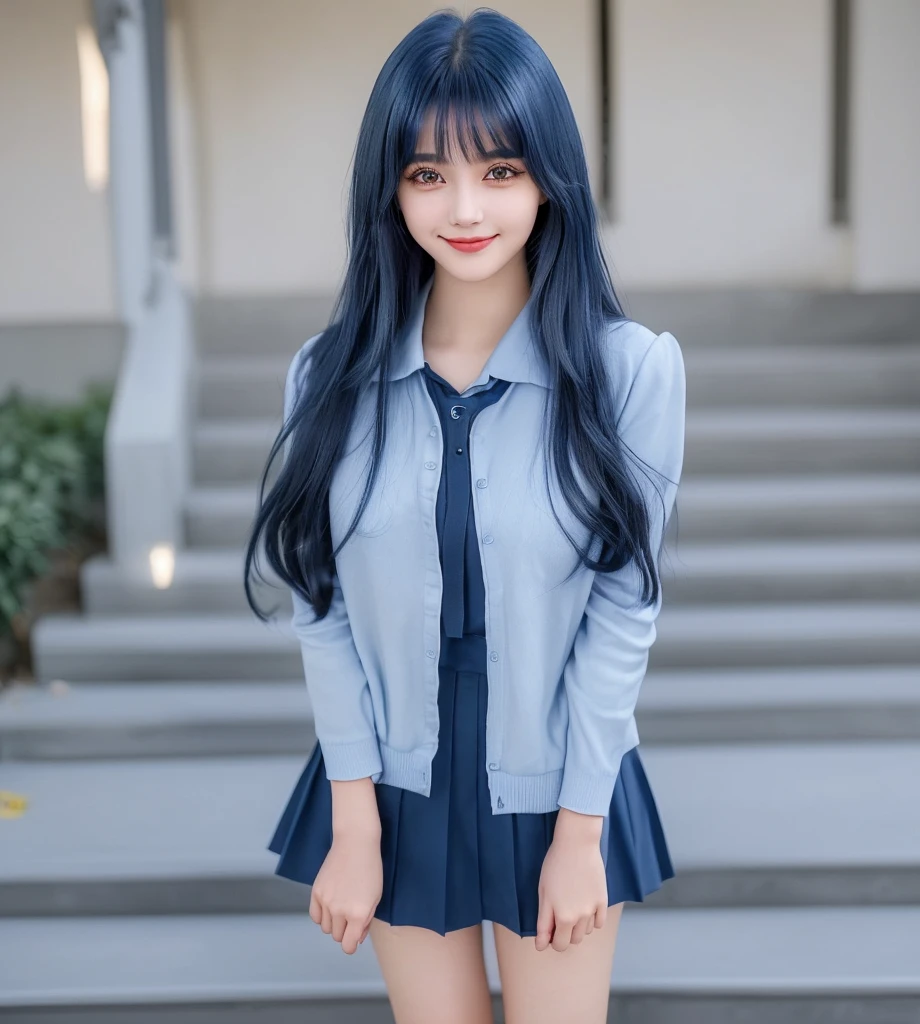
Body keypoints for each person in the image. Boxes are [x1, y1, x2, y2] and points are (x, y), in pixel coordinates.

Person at [244, 8, 686, 1023]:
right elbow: (323, 608)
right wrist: (354, 823)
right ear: (389, 189)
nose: (464, 207)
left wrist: (580, 832)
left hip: (561, 779)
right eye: (426, 174)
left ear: (548, 178)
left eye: (498, 169)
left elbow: (623, 611)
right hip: (394, 789)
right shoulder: (327, 379)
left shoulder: (631, 375)